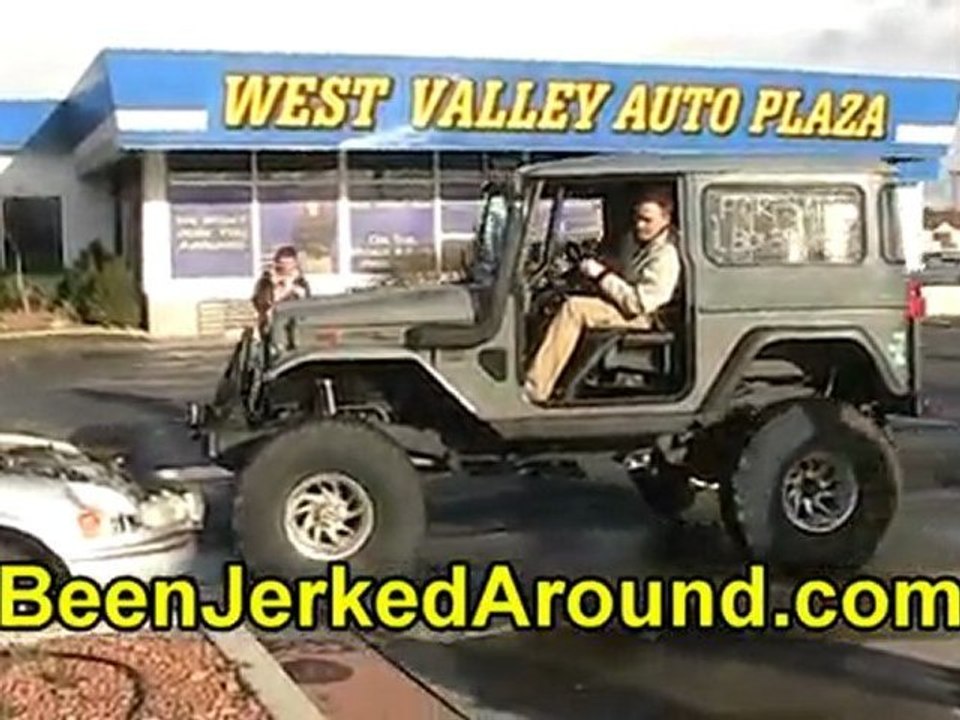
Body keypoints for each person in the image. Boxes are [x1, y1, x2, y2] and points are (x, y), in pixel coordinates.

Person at [524, 189, 682, 404]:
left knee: (575, 309)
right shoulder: (644, 245)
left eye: (647, 220)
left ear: (666, 218)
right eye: (637, 218)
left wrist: (601, 275)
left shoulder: (666, 255)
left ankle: (536, 390)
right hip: (633, 307)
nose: (639, 225)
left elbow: (638, 304)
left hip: (646, 316)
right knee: (556, 302)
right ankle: (548, 375)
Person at [252, 245, 311, 328]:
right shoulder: (266, 282)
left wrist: (295, 289)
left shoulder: (300, 282)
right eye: (283, 264)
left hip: (296, 321)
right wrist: (282, 288)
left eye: (290, 264)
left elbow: (307, 302)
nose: (287, 267)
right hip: (274, 322)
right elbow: (262, 304)